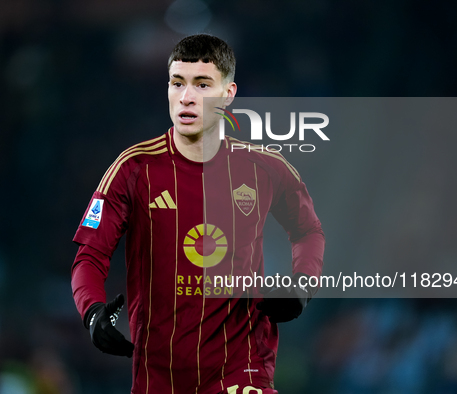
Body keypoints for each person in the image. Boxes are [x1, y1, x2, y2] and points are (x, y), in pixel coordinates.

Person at [71, 34, 325, 394]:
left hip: (243, 369)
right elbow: (90, 255)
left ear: (228, 93)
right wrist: (93, 312)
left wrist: (302, 285)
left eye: (202, 84)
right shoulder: (133, 169)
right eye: (178, 83)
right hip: (161, 377)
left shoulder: (265, 168)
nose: (186, 97)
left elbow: (308, 231)